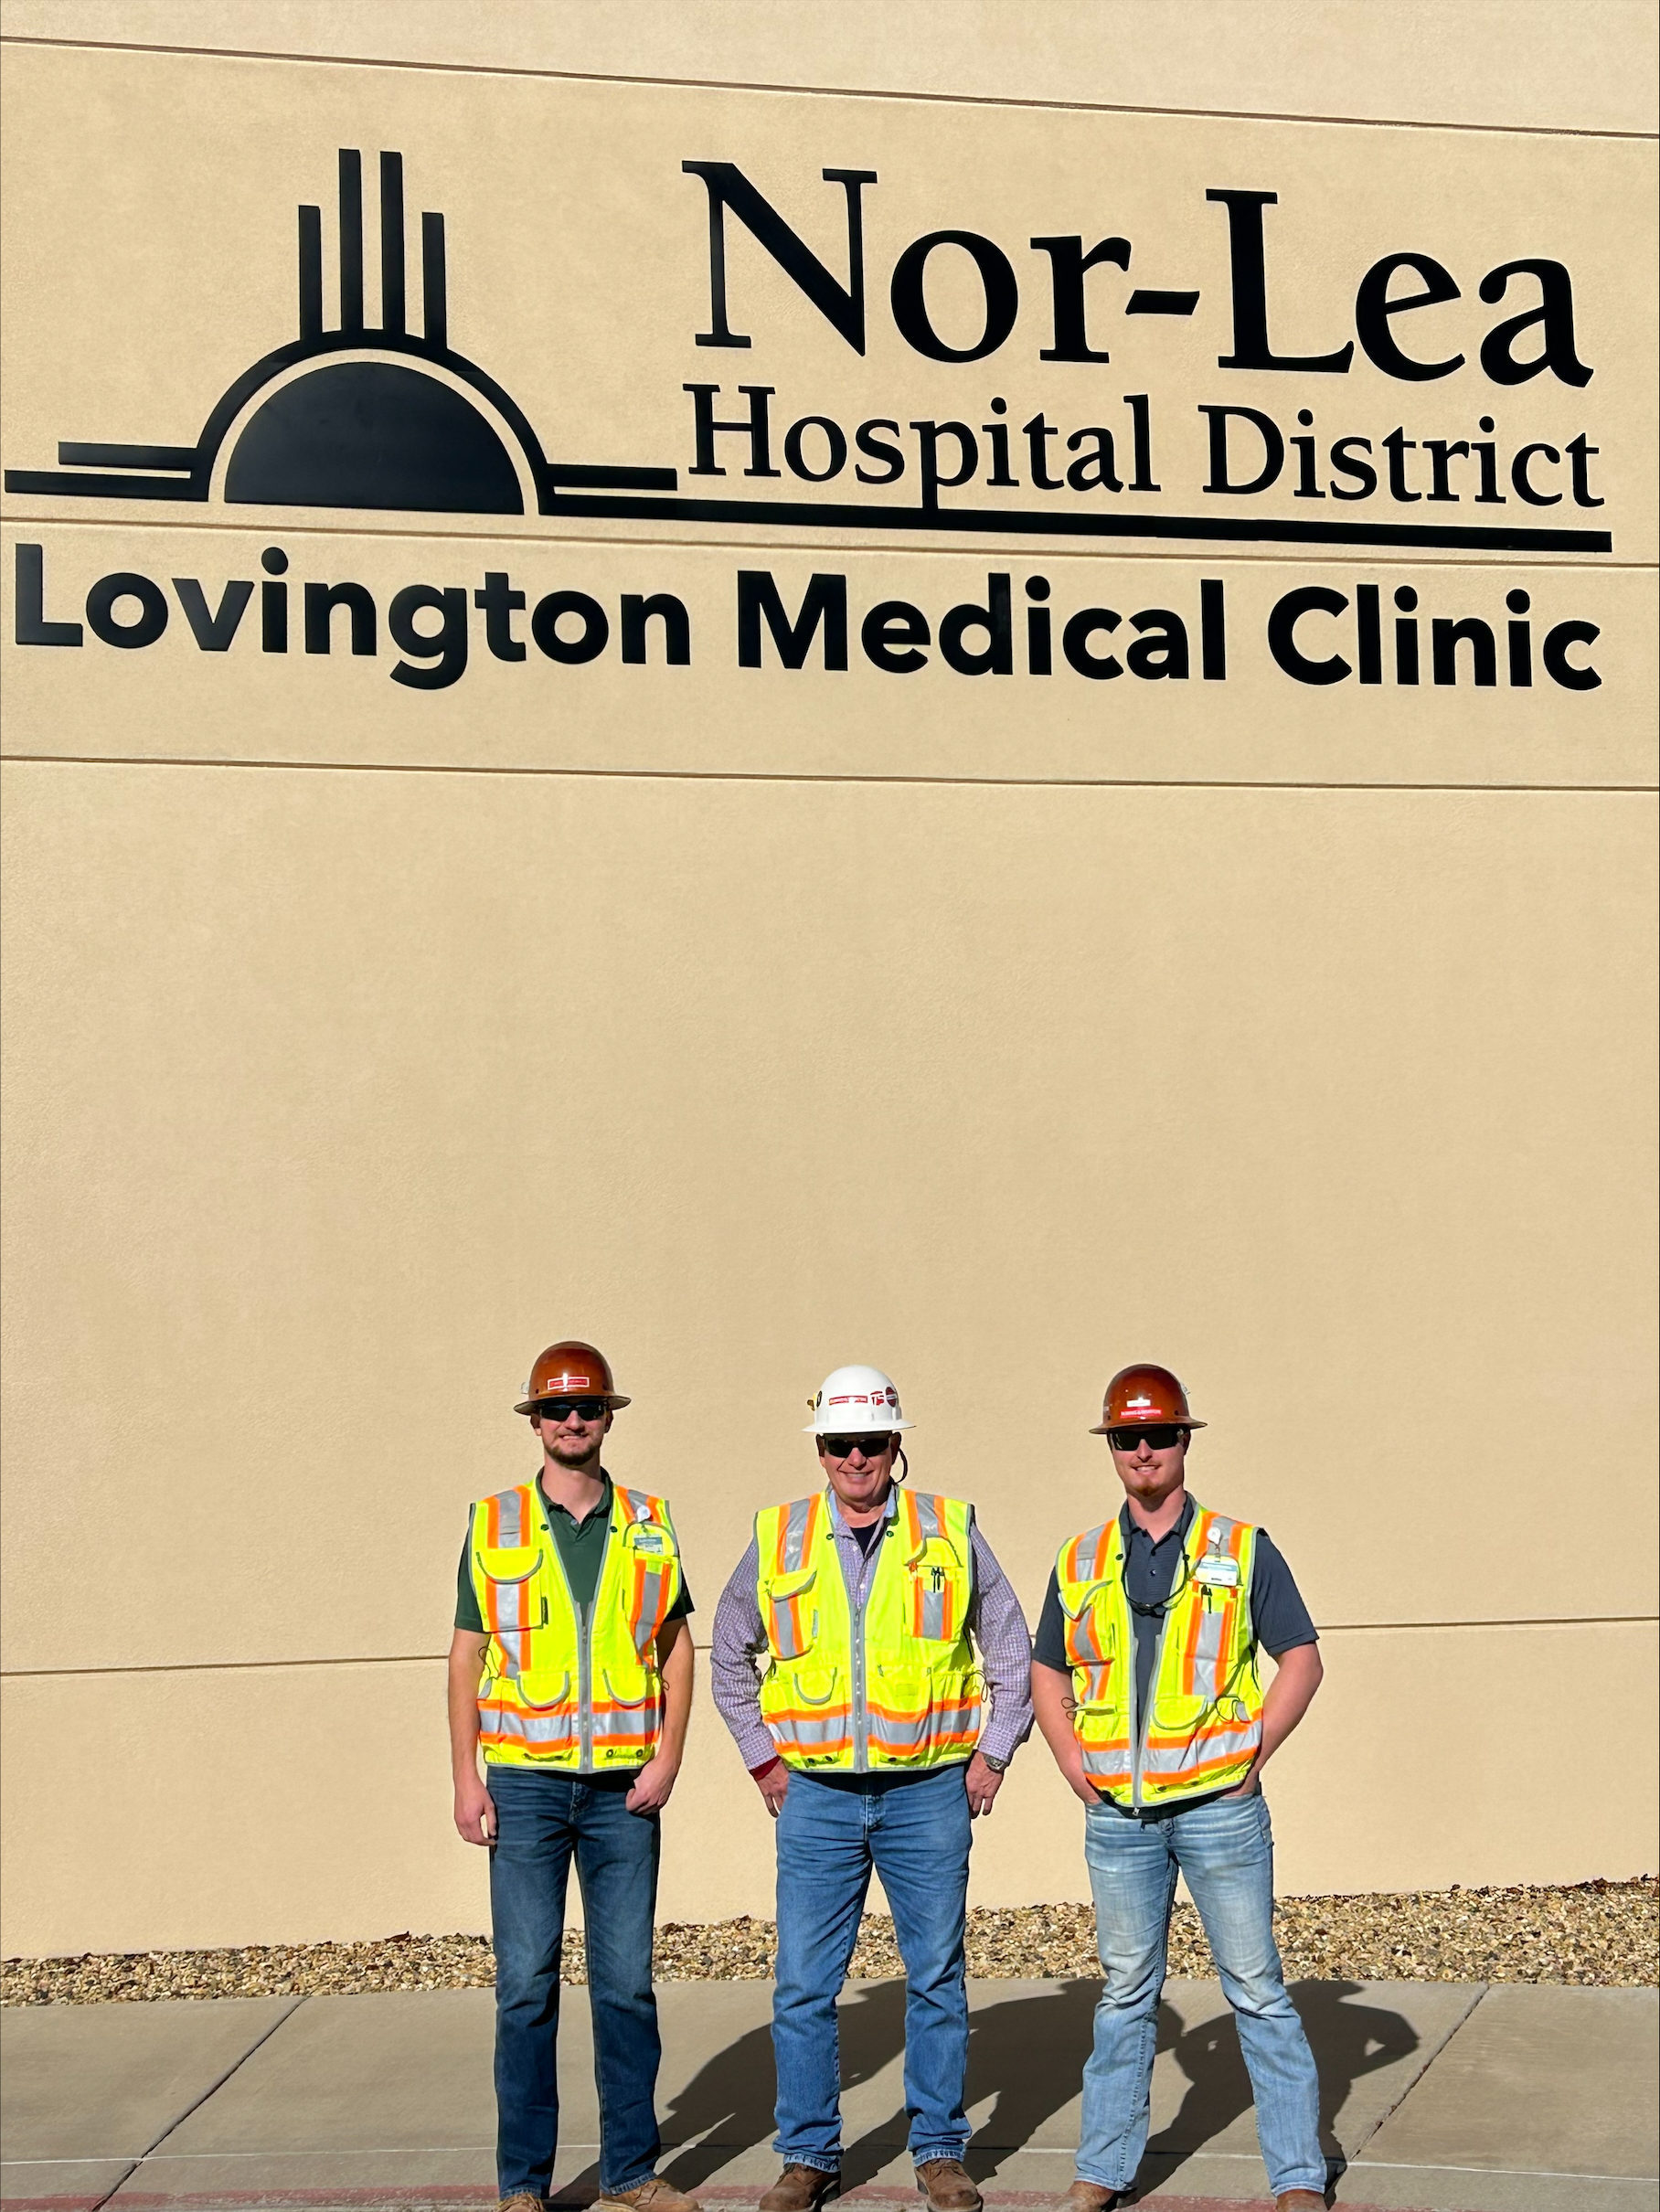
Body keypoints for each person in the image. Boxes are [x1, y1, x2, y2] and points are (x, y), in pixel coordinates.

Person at [711, 1365, 1034, 2212]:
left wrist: (992, 1755)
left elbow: (1009, 1648)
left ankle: (938, 2152)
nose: (856, 1458)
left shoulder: (950, 1531)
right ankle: (809, 2156)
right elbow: (727, 1653)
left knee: (935, 1975)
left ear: (897, 1446)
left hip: (928, 1793)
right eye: (839, 1444)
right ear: (820, 1450)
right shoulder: (779, 1537)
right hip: (815, 1798)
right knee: (805, 1986)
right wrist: (763, 1760)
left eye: (871, 1443)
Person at [1031, 1364, 1327, 2212]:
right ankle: (1103, 2170)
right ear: (1111, 1449)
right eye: (1128, 1438)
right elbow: (1048, 1669)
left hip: (1218, 1810)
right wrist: (1069, 1762)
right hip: (1119, 1818)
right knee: (1125, 1994)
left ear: (1185, 1440)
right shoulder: (1081, 1556)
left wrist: (1252, 1756)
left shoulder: (1241, 1548)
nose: (1145, 1451)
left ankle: (1299, 2176)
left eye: (1160, 1435)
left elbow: (1301, 1658)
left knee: (1258, 1991)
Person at [448, 1340, 701, 2212]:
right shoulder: (495, 1523)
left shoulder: (649, 1520)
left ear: (607, 1419)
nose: (571, 1422)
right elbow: (466, 1657)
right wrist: (465, 1780)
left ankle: (631, 2170)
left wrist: (668, 1756)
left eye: (586, 1409)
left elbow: (675, 1648)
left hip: (622, 1790)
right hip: (521, 1784)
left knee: (626, 1983)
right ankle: (524, 2183)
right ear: (535, 1420)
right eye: (556, 1410)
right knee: (524, 1987)